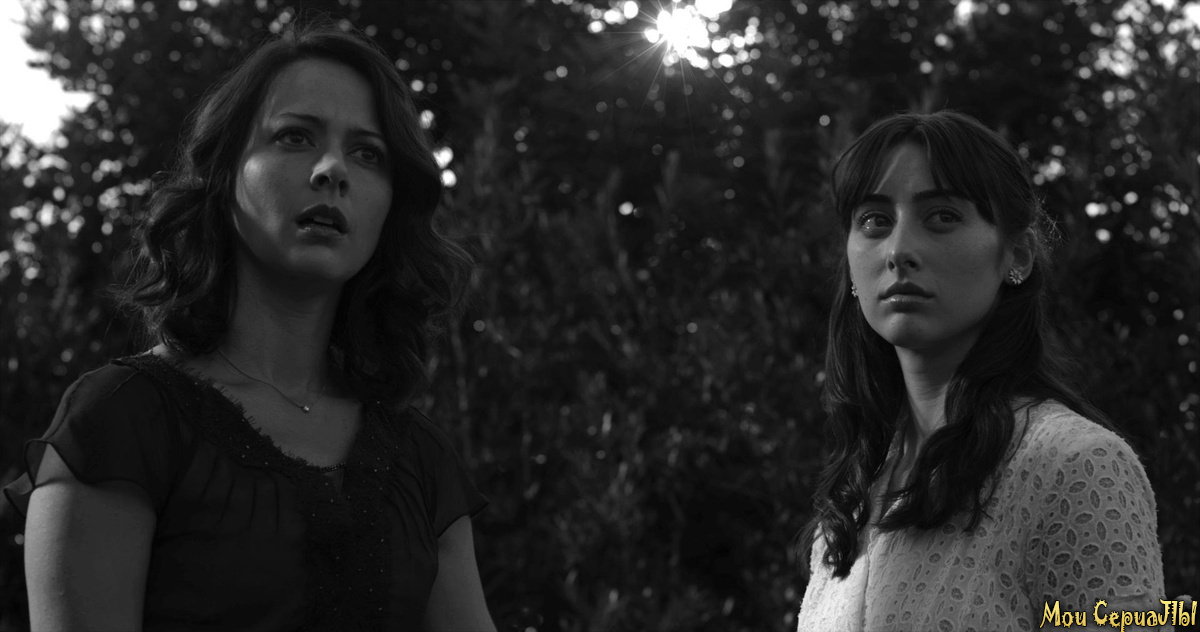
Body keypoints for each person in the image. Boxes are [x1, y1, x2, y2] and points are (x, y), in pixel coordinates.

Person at [5, 20, 496, 631]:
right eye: (295, 137)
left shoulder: (419, 459)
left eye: (368, 153)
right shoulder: (121, 422)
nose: (333, 169)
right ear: (225, 173)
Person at [795, 111, 1166, 631]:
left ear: (1017, 255)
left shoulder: (1078, 468)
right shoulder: (850, 502)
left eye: (942, 216)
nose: (898, 251)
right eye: (875, 220)